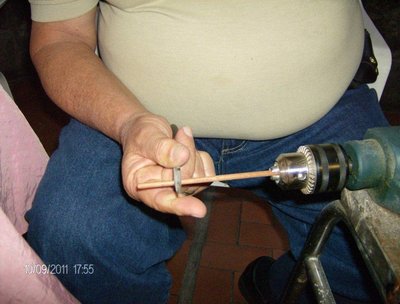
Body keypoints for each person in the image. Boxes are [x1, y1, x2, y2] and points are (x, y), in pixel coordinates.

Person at [25, 0, 388, 303]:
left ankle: (283, 286)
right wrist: (129, 123)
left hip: (323, 110)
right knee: (72, 240)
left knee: (374, 255)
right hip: (129, 111)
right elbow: (59, 38)